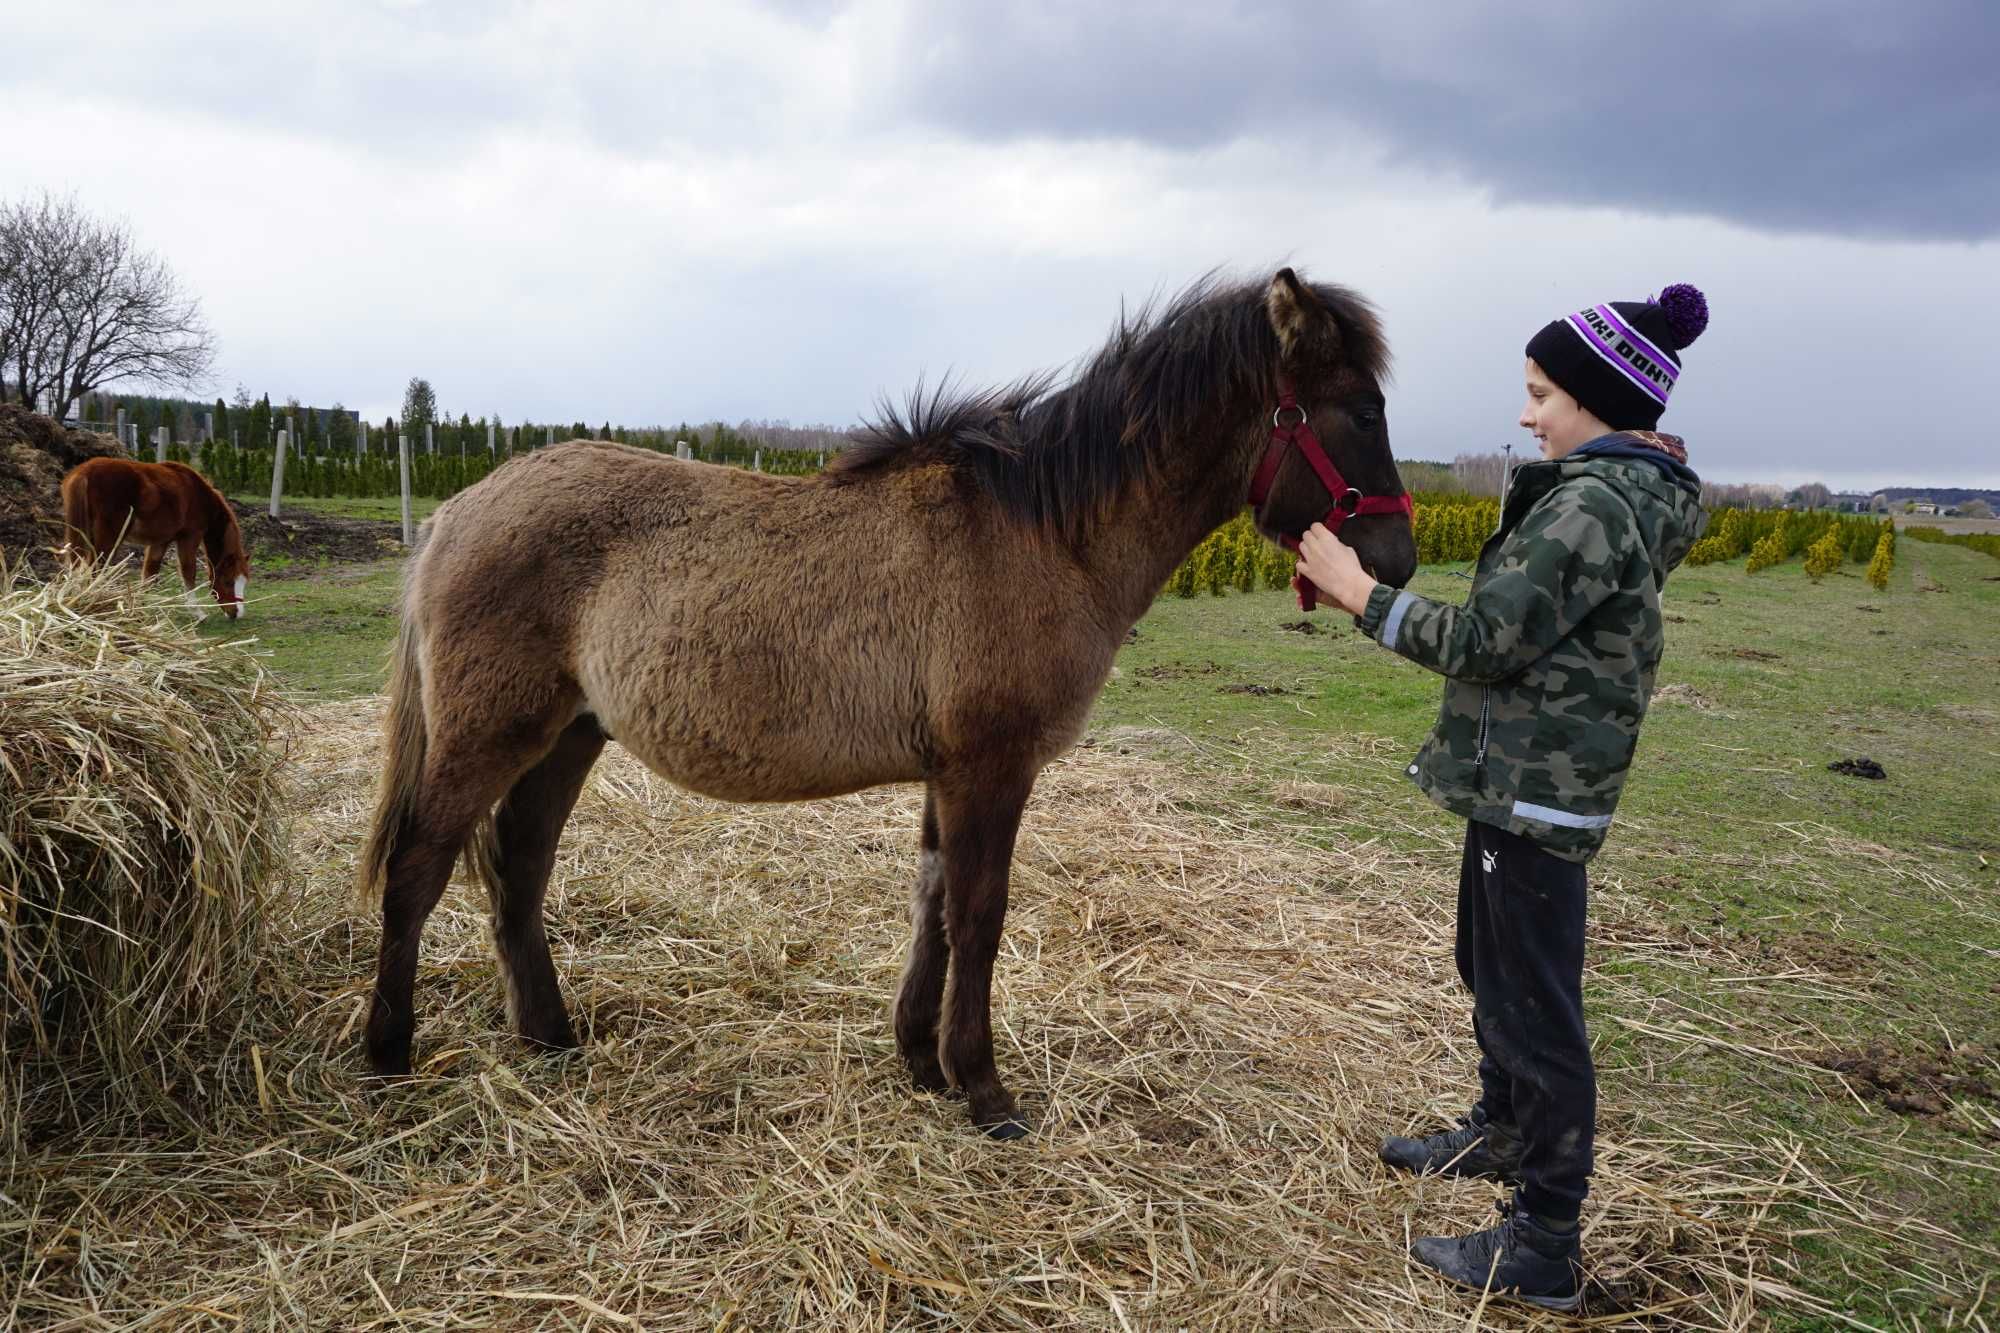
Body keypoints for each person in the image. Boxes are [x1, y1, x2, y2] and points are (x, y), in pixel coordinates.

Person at [1295, 284, 1711, 1312]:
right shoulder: (1596, 495)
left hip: (1536, 789)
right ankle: (1500, 1126)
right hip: (1517, 780)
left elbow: (1485, 641)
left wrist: (1361, 595)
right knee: (1486, 964)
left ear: (1598, 398)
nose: (1526, 415)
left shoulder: (1589, 508)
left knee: (1535, 1011)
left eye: (1539, 394)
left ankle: (1542, 1243)